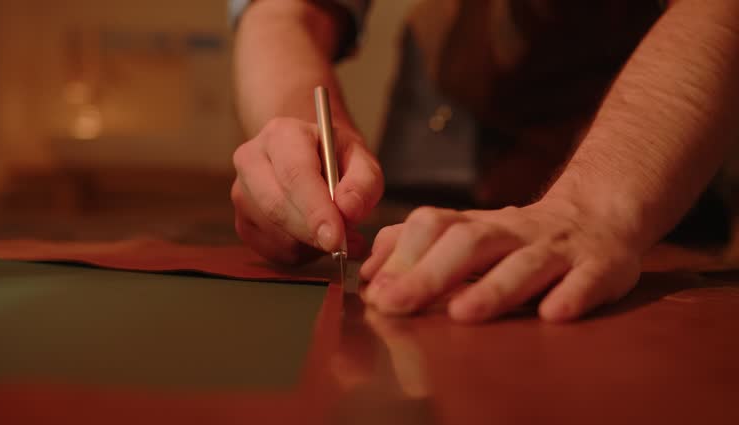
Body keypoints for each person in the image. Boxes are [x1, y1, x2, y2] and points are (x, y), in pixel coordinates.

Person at [228, 0, 739, 322]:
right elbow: (283, 12)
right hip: (424, 173)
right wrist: (298, 154)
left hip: (650, 177)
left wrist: (594, 208)